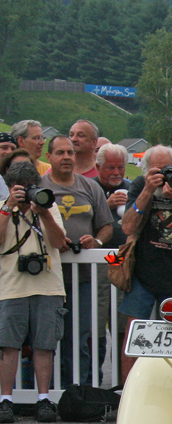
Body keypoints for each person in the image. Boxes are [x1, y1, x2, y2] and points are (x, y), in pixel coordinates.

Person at [119, 146, 172, 378]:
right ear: (146, 170)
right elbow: (127, 227)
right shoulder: (140, 185)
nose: (163, 175)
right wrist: (148, 190)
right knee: (134, 338)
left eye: (168, 169)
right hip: (143, 271)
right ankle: (126, 394)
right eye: (156, 170)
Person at [0, 159, 69, 423]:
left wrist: (42, 212)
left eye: (31, 188)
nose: (27, 193)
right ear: (9, 187)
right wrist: (9, 207)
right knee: (8, 346)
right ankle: (5, 399)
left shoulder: (48, 207)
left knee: (45, 345)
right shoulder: (3, 209)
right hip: (11, 286)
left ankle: (43, 399)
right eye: (21, 189)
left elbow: (58, 242)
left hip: (47, 285)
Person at [41, 134, 113, 385]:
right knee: (48, 336)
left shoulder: (90, 187)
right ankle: (48, 391)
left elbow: (106, 227)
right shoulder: (40, 189)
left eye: (70, 152)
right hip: (47, 278)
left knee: (80, 336)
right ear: (48, 157)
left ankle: (78, 390)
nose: (66, 157)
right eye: (60, 153)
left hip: (84, 279)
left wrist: (97, 242)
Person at [95, 143, 130, 248]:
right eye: (110, 168)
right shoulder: (89, 188)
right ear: (98, 167)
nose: (116, 172)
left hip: (127, 253)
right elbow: (82, 221)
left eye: (120, 167)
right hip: (97, 254)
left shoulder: (133, 188)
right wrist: (106, 206)